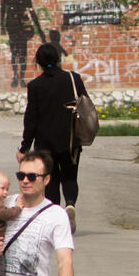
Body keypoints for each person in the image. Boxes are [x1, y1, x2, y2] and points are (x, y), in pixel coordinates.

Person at [20, 43, 88, 233]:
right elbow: (85, 104)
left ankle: (57, 215)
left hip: (45, 144)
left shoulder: (35, 86)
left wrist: (24, 147)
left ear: (38, 63)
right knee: (70, 176)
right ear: (58, 59)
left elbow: (31, 119)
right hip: (70, 139)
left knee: (51, 180)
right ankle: (71, 204)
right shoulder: (73, 78)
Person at [0, 0, 39, 82]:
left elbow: (30, 10)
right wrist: (2, 27)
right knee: (16, 53)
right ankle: (16, 76)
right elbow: (2, 12)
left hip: (20, 27)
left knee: (21, 53)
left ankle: (20, 77)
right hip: (13, 27)